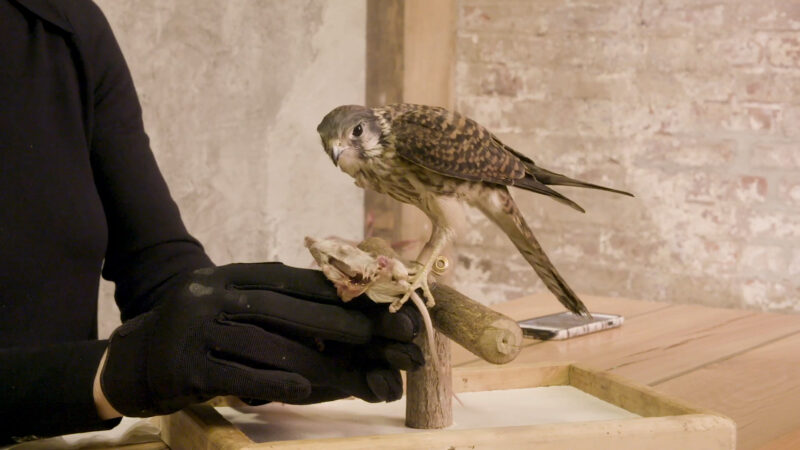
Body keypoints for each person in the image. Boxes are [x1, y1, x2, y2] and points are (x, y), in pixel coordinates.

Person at [0, 0, 423, 443]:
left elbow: (154, 263)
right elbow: (134, 365)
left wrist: (251, 342)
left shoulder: (61, 25)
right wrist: (114, 373)